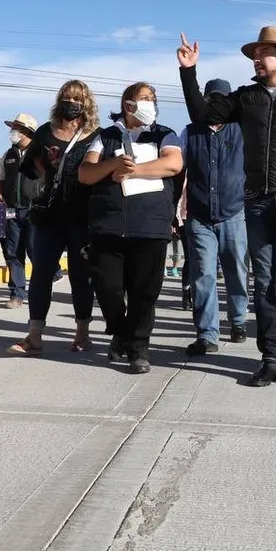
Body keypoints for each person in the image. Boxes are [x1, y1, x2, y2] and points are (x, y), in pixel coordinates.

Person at [178, 27, 276, 387]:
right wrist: (188, 71)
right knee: (264, 281)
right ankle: (271, 356)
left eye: (264, 53)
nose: (257, 59)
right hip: (257, 201)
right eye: (254, 54)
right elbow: (202, 114)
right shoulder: (245, 97)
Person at [79, 82, 183, 374]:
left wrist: (134, 170)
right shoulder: (106, 136)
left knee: (144, 293)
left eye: (153, 99)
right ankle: (120, 331)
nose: (150, 103)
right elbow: (86, 173)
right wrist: (112, 165)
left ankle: (138, 350)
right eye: (144, 98)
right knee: (109, 289)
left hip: (149, 226)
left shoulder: (165, 134)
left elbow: (173, 165)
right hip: (108, 225)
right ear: (127, 104)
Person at [6, 80, 101, 355]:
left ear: (86, 103)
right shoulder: (46, 132)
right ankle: (34, 334)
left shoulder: (97, 135)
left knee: (81, 277)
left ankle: (82, 333)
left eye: (77, 99)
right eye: (66, 98)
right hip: (50, 215)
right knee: (41, 273)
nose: (71, 103)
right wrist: (50, 170)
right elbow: (31, 168)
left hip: (83, 215)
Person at [179, 78, 250, 356]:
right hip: (200, 216)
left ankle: (238, 320)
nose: (215, 105)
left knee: (236, 270)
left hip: (234, 213)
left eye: (221, 100)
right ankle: (207, 334)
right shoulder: (189, 133)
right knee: (203, 275)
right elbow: (178, 172)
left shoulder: (242, 130)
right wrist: (176, 210)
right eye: (211, 100)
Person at [0, 113, 40, 310]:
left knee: (34, 250)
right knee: (13, 253)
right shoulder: (9, 155)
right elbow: (2, 179)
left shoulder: (41, 153)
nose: (13, 132)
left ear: (27, 132)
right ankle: (17, 294)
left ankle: (41, 289)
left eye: (17, 128)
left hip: (35, 210)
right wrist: (4, 198)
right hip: (13, 210)